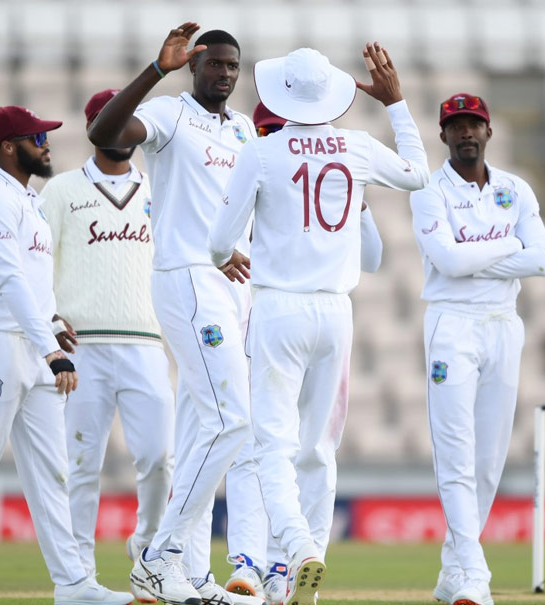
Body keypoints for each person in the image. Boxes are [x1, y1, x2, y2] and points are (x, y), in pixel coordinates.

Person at [208, 44, 429, 605]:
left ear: (280, 94)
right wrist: (396, 104)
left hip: (278, 308)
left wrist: (224, 257)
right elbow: (419, 175)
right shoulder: (357, 147)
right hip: (336, 312)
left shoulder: (261, 151)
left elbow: (218, 242)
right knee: (318, 447)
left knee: (271, 445)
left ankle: (295, 545)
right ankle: (296, 566)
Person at [0, 106, 133, 605]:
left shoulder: (30, 201)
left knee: (52, 473)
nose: (46, 143)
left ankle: (73, 583)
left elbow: (33, 283)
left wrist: (52, 322)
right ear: (7, 147)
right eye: (37, 138)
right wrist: (50, 348)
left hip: (34, 349)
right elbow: (7, 278)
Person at [87, 24, 265, 605]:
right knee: (231, 421)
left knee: (199, 432)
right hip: (187, 280)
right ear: (194, 66)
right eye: (214, 63)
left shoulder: (243, 129)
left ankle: (192, 571)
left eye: (232, 65)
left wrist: (233, 248)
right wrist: (155, 71)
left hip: (231, 284)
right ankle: (157, 558)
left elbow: (240, 206)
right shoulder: (170, 113)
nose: (225, 73)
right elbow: (103, 132)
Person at [408, 93, 545, 605]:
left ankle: (454, 571)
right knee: (456, 455)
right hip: (452, 324)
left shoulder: (515, 189)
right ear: (443, 135)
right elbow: (447, 263)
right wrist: (510, 245)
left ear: (489, 131)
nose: (465, 132)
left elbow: (542, 260)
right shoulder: (429, 192)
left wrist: (475, 256)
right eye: (456, 126)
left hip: (503, 324)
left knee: (488, 461)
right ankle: (474, 573)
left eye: (474, 124)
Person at [244, 102, 386, 605]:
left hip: (292, 322)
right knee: (274, 451)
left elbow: (373, 258)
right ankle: (267, 566)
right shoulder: (258, 172)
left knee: (307, 450)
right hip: (268, 322)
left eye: (275, 131)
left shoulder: (310, 177)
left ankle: (291, 566)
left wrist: (356, 201)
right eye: (265, 133)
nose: (272, 140)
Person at [39, 89, 175, 604]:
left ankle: (148, 554)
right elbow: (36, 263)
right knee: (80, 464)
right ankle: (77, 577)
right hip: (83, 347)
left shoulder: (160, 188)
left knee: (159, 459)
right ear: (93, 126)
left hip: (146, 342)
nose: (119, 131)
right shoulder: (62, 191)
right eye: (108, 121)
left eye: (126, 121)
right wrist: (50, 322)